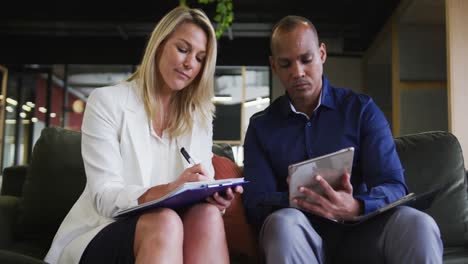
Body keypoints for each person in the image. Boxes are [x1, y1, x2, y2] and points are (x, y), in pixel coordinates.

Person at [45, 6, 242, 264]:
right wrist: (170, 189)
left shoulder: (199, 117)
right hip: (102, 229)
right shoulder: (106, 102)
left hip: (173, 230)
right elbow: (105, 198)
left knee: (207, 215)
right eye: (183, 49)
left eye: (200, 58)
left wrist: (212, 195)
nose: (189, 64)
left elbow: (198, 188)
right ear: (159, 45)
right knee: (165, 222)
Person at [242, 15, 443, 264]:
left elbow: (394, 185)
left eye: (306, 59)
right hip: (298, 233)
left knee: (418, 223)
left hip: (362, 231)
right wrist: (302, 200)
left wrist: (357, 206)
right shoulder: (261, 126)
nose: (298, 72)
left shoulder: (361, 110)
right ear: (273, 66)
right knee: (282, 224)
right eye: (286, 64)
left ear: (322, 54)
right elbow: (254, 201)